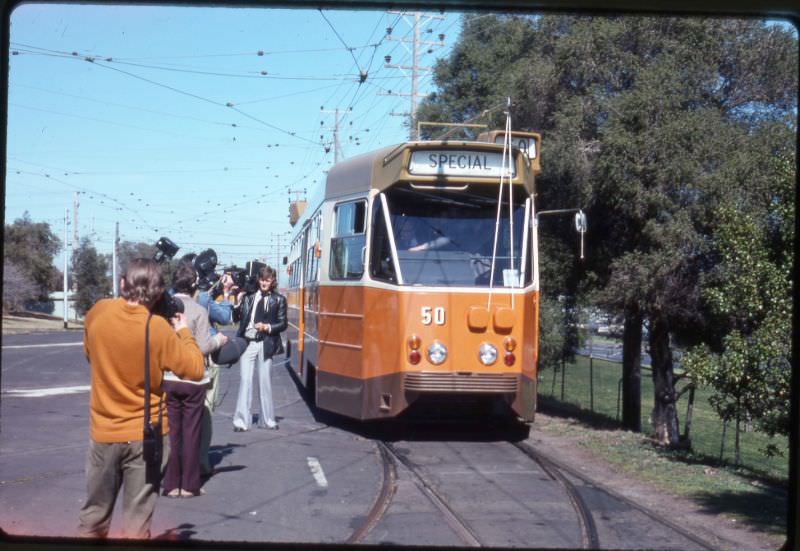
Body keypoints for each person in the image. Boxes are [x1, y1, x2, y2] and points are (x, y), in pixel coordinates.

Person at [79, 258, 204, 539]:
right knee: (136, 525)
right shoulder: (158, 329)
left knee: (93, 518)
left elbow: (90, 354)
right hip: (145, 438)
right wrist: (183, 330)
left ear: (123, 283)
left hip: (103, 435)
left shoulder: (98, 312)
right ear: (158, 293)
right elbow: (195, 368)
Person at [162, 262, 227, 498]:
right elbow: (202, 347)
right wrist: (219, 340)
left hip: (168, 377)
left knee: (173, 432)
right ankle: (189, 485)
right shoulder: (199, 310)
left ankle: (170, 484)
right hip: (193, 381)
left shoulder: (164, 310)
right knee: (191, 434)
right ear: (194, 285)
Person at [231, 266, 287, 432]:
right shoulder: (248, 297)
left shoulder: (279, 300)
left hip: (266, 342)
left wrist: (267, 327)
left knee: (265, 382)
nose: (264, 283)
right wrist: (235, 301)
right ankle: (241, 421)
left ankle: (268, 420)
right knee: (245, 381)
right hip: (248, 342)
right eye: (262, 279)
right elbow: (236, 318)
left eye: (267, 280)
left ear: (272, 281)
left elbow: (282, 323)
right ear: (258, 280)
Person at [195, 272, 235, 477]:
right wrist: (226, 293)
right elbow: (225, 318)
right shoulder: (204, 298)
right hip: (206, 357)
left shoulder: (173, 295)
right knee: (206, 410)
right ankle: (201, 461)